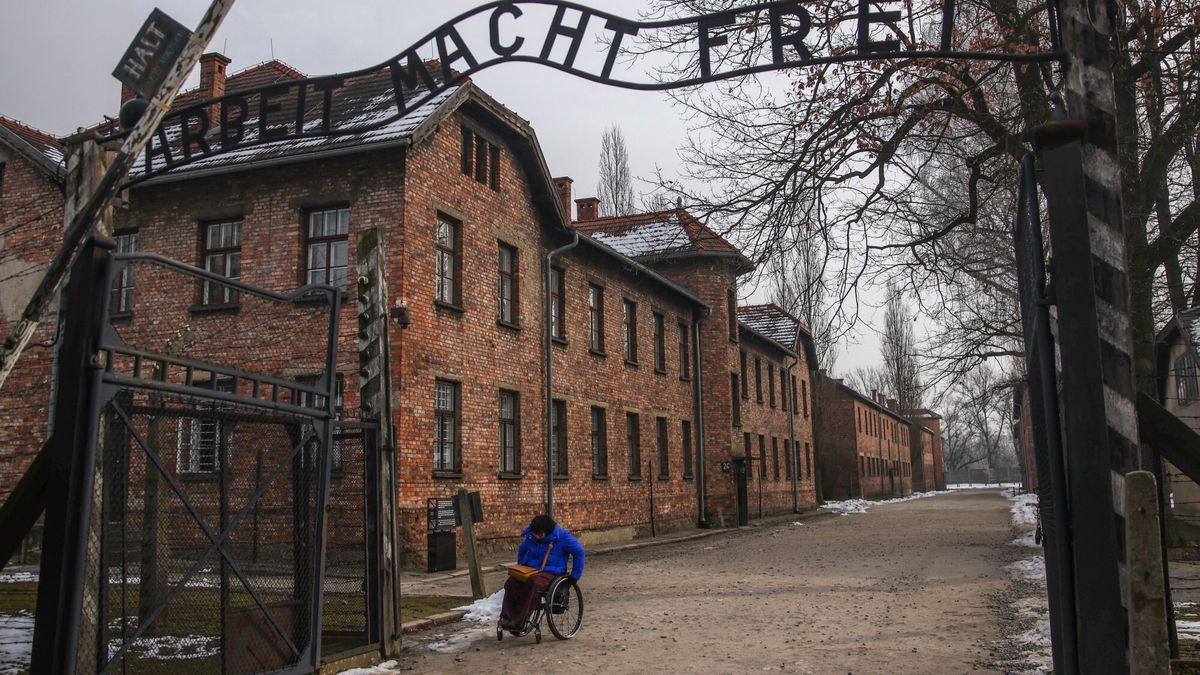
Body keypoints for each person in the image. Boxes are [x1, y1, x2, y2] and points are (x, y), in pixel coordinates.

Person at [499, 514, 585, 631]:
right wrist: (521, 566)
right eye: (535, 533)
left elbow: (579, 552)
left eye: (539, 534)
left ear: (547, 531)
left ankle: (519, 621)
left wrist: (574, 576)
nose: (536, 536)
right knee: (512, 582)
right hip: (531, 570)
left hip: (551, 572)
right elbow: (522, 549)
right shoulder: (531, 537)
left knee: (534, 583)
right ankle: (507, 618)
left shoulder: (562, 538)